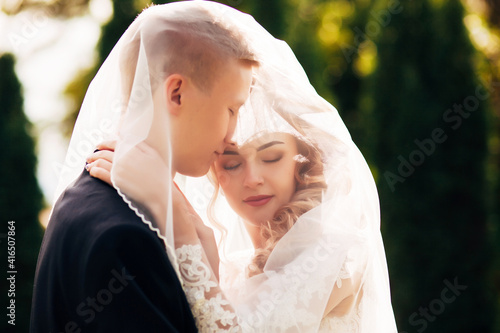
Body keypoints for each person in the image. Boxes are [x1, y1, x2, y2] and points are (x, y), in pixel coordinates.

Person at [87, 5, 398, 329]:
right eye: (232, 164)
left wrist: (175, 216)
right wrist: (197, 231)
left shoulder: (335, 252)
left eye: (272, 157)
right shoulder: (234, 270)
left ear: (302, 162)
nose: (252, 179)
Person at [30, 2, 257, 332]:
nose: (232, 135)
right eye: (231, 109)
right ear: (176, 93)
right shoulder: (124, 237)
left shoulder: (97, 200)